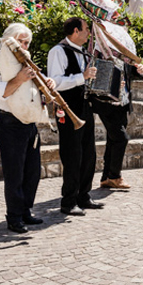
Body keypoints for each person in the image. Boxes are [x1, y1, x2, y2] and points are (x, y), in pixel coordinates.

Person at [0, 23, 55, 233]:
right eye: (20, 40)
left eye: (27, 42)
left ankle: (26, 210)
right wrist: (20, 79)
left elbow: (32, 94)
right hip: (9, 123)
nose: (24, 45)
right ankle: (14, 216)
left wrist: (47, 85)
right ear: (9, 40)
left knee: (32, 171)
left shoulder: (27, 63)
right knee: (14, 172)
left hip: (28, 121)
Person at [47, 17, 103, 216]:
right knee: (72, 156)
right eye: (86, 29)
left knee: (88, 154)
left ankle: (83, 196)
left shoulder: (84, 52)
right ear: (76, 31)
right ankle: (68, 201)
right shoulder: (58, 51)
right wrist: (83, 77)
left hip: (85, 108)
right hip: (68, 109)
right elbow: (54, 82)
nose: (89, 33)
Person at [89, 51, 143, 190]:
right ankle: (115, 176)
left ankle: (106, 178)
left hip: (123, 104)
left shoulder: (126, 53)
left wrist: (141, 70)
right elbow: (99, 79)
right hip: (107, 105)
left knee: (113, 140)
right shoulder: (103, 52)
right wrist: (113, 85)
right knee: (121, 138)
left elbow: (131, 70)